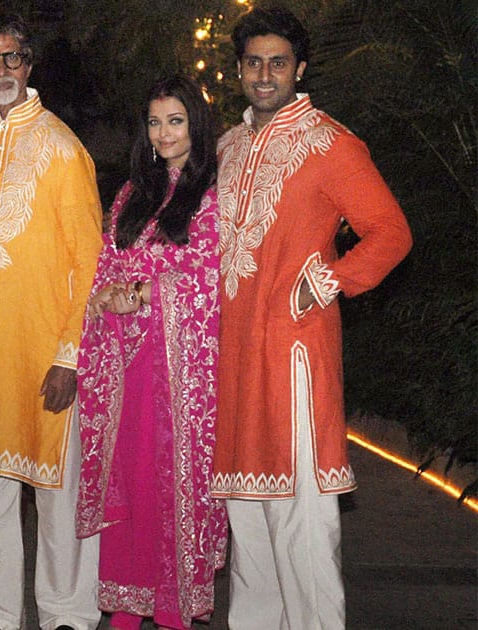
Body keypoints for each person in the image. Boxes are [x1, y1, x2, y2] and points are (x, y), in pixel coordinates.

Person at [211, 7, 412, 629]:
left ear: (299, 69)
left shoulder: (332, 143)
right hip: (234, 361)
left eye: (277, 63)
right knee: (249, 530)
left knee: (302, 528)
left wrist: (329, 282)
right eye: (253, 63)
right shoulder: (226, 144)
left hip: (294, 355)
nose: (264, 75)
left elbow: (391, 232)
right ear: (239, 70)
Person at [0, 14, 103, 630]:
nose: (0, 70)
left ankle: (67, 614)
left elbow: (89, 260)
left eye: (12, 58)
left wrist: (71, 355)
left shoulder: (63, 148)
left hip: (45, 351)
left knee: (58, 491)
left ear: (30, 65)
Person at [76, 75, 227, 630]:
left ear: (196, 125)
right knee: (132, 482)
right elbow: (107, 265)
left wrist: (143, 291)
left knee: (169, 489)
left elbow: (210, 277)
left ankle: (171, 610)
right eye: (155, 121)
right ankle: (125, 606)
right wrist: (108, 295)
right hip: (130, 365)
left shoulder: (213, 191)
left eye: (176, 120)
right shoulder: (130, 194)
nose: (164, 133)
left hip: (184, 373)